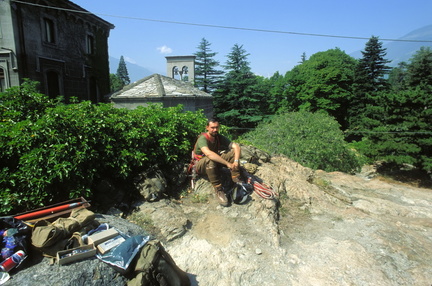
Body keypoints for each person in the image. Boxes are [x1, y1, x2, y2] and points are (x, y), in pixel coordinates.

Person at [193, 118, 242, 206]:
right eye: (212, 127)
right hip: (201, 164)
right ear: (207, 127)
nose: (215, 130)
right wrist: (227, 164)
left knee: (233, 154)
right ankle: (218, 189)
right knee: (210, 160)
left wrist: (236, 161)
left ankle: (236, 179)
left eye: (217, 127)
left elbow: (236, 147)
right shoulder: (202, 139)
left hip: (215, 161)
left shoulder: (218, 137)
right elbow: (209, 154)